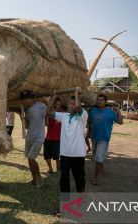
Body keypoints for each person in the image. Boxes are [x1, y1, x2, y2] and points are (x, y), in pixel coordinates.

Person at [47, 88, 87, 217]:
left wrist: (76, 93)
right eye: (69, 102)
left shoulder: (82, 116)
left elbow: (78, 107)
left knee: (79, 179)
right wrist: (54, 96)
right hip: (64, 154)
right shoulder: (63, 116)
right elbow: (48, 112)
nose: (72, 104)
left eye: (74, 102)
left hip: (78, 154)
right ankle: (63, 208)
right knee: (64, 181)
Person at [89, 94, 123, 185]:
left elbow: (120, 122)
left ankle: (95, 177)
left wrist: (117, 110)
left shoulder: (110, 112)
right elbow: (88, 122)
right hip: (94, 137)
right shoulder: (92, 110)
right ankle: (101, 167)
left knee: (99, 157)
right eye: (98, 100)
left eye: (101, 100)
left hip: (104, 138)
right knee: (96, 155)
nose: (99, 101)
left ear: (105, 102)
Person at [20, 90, 46, 188]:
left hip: (39, 137)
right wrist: (22, 118)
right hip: (29, 136)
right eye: (24, 100)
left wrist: (48, 100)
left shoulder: (41, 106)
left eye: (28, 99)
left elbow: (48, 112)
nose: (26, 101)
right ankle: (34, 178)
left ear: (32, 98)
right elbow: (27, 126)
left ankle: (38, 176)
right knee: (29, 158)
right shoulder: (27, 110)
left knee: (31, 158)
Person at [43, 98, 63, 175]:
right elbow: (46, 124)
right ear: (52, 104)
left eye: (59, 104)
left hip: (57, 138)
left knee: (57, 156)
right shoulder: (48, 112)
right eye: (55, 104)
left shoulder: (61, 112)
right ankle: (50, 169)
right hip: (48, 138)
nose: (57, 106)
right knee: (46, 155)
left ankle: (58, 169)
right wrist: (47, 116)